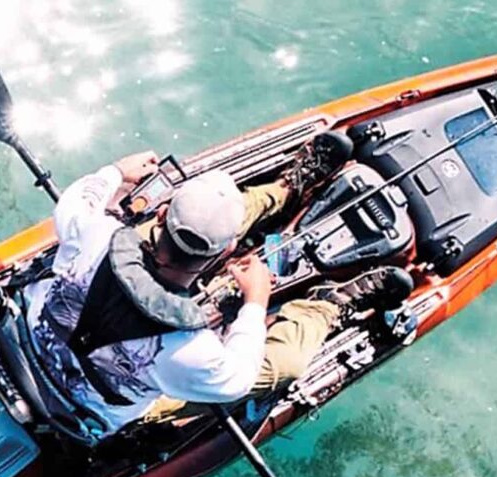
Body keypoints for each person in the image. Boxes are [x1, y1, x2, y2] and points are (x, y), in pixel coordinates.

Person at [23, 136, 413, 438]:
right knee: (285, 365)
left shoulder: (95, 234)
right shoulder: (189, 350)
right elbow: (240, 377)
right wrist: (256, 301)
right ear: (229, 250)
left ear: (161, 213)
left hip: (27, 345)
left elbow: (79, 200)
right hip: (85, 415)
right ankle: (325, 306)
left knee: (191, 226)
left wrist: (115, 172)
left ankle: (283, 191)